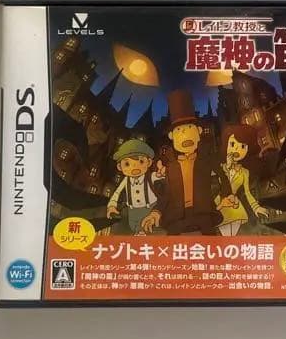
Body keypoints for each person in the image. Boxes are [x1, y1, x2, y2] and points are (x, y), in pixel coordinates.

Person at [140, 90, 230, 235]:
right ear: (172, 136)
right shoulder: (169, 166)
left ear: (198, 132)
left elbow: (223, 177)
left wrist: (227, 195)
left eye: (189, 129)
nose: (186, 135)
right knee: (172, 245)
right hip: (176, 218)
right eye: (180, 131)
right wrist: (156, 212)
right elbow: (166, 195)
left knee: (212, 243)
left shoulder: (207, 159)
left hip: (204, 214)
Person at [217, 124, 270, 236]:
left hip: (235, 205)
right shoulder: (219, 168)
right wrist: (228, 166)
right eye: (232, 144)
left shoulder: (245, 172)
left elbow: (247, 192)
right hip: (220, 203)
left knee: (232, 236)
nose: (237, 149)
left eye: (242, 146)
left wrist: (256, 208)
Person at [106, 139, 161, 235]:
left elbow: (158, 176)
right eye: (127, 164)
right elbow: (117, 193)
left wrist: (161, 173)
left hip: (149, 207)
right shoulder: (126, 180)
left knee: (145, 226)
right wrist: (111, 205)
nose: (135, 166)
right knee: (134, 226)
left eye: (141, 162)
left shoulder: (149, 176)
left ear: (149, 162)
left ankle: (141, 234)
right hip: (133, 210)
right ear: (119, 167)